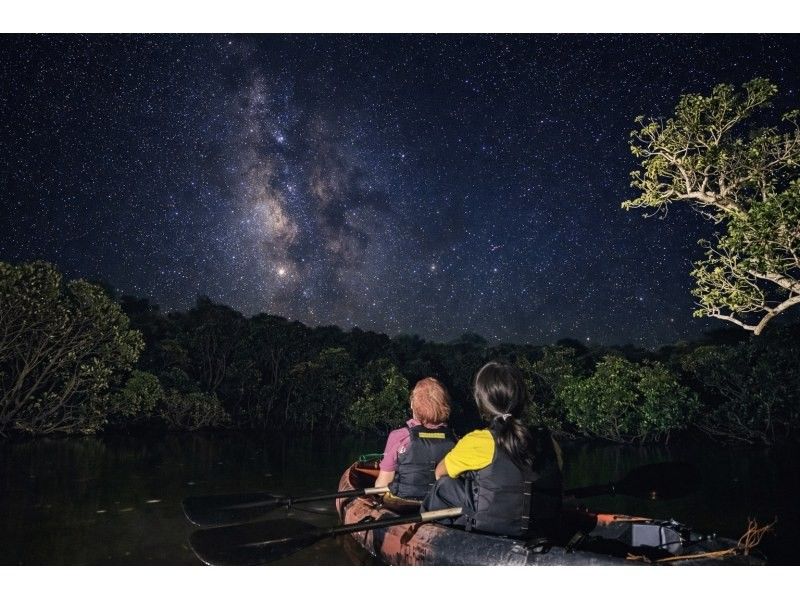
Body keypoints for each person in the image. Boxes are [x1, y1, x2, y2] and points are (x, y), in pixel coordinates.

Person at [421, 361, 563, 538]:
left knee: (444, 485)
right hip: (541, 530)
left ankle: (429, 535)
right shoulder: (549, 440)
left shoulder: (478, 440)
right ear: (522, 399)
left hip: (487, 528)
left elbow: (440, 473)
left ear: (481, 401)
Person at [374, 377, 457, 501]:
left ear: (413, 405)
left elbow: (381, 487)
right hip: (441, 503)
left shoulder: (399, 437)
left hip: (403, 504)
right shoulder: (455, 440)